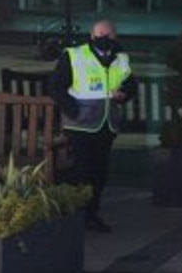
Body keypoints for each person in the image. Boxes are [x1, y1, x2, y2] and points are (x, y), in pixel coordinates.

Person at [48, 19, 136, 233]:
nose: (103, 39)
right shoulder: (74, 55)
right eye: (99, 35)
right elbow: (56, 86)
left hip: (106, 124)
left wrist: (124, 94)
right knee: (82, 171)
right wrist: (74, 111)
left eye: (107, 35)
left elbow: (131, 84)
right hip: (80, 126)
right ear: (91, 35)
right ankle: (76, 215)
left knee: (99, 172)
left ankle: (91, 214)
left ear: (115, 36)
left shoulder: (121, 58)